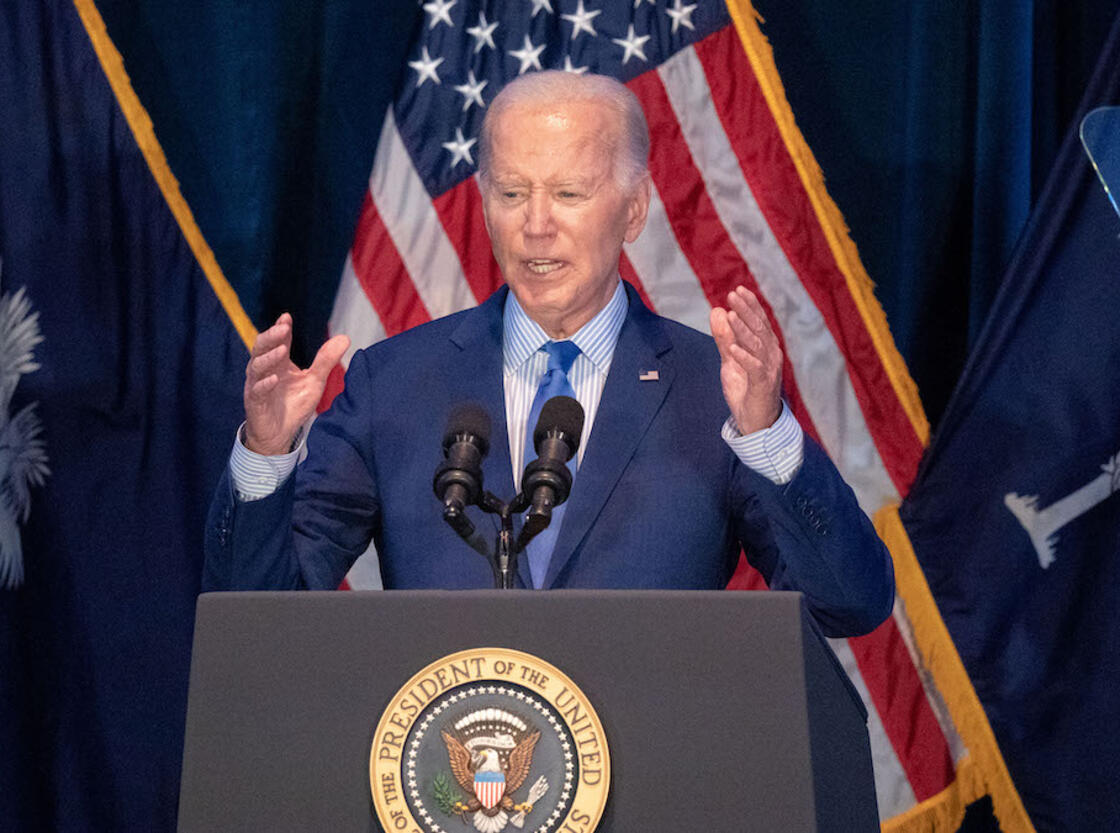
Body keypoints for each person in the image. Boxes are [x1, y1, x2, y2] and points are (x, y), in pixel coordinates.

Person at [205, 71, 892, 638]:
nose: (536, 224)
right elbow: (259, 617)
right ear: (483, 203)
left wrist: (769, 437)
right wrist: (266, 456)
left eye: (568, 193)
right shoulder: (394, 384)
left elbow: (848, 604)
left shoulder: (714, 391)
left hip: (653, 789)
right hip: (447, 785)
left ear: (633, 209)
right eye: (511, 193)